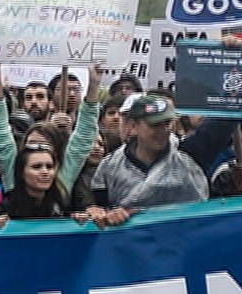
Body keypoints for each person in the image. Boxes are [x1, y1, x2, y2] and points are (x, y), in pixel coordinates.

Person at [0, 62, 100, 216]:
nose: (38, 151)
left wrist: (94, 84)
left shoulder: (63, 177)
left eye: (45, 146)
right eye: (32, 145)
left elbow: (84, 136)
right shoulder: (12, 172)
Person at [81, 93, 208, 226]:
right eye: (155, 125)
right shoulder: (109, 166)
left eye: (167, 123)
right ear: (134, 126)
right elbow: (99, 210)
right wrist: (102, 213)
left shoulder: (187, 160)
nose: (163, 130)